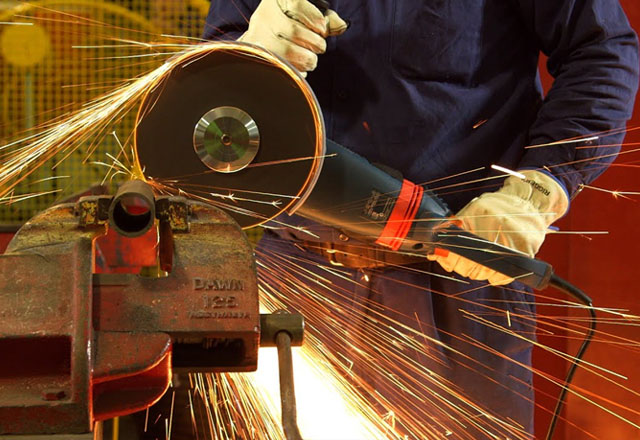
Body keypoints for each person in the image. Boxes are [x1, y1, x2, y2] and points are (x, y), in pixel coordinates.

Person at [203, 1, 639, 438]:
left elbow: (601, 52)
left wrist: (536, 190)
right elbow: (205, 96)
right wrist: (245, 57)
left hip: (457, 285)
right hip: (294, 278)